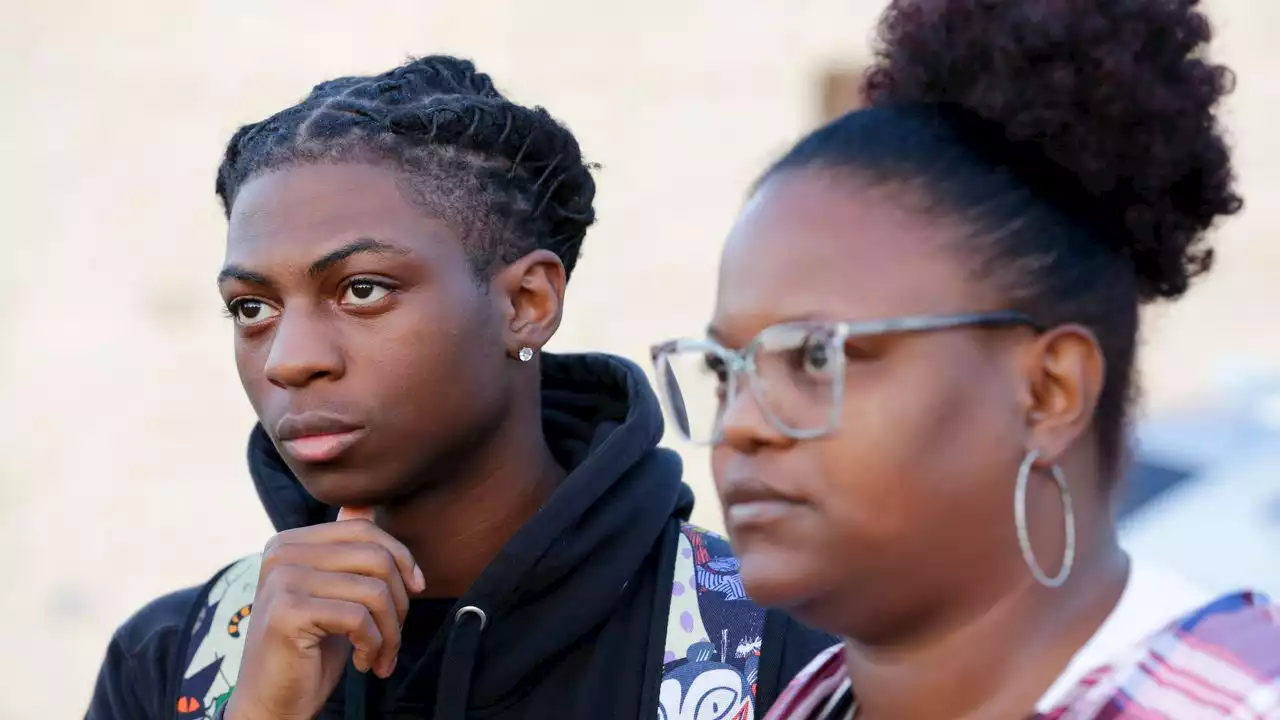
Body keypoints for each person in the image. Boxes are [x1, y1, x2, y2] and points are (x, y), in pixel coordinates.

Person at [87, 55, 833, 720]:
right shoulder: (172, 664)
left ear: (525, 305)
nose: (288, 359)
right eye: (253, 308)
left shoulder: (778, 652)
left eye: (363, 290)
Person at [649, 0, 1280, 717]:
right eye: (726, 369)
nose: (739, 426)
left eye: (815, 358)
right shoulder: (799, 702)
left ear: (1048, 392)